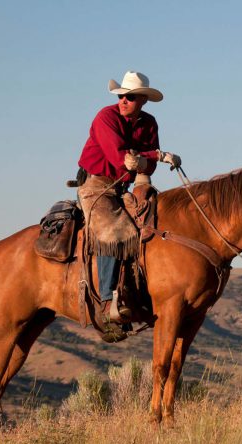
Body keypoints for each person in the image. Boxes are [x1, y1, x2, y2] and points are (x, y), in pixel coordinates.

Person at [77, 71, 181, 323]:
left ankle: (141, 293)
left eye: (130, 97)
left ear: (143, 100)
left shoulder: (149, 123)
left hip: (125, 187)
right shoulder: (106, 117)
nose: (124, 100)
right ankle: (105, 302)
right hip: (97, 185)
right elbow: (119, 158)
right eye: (122, 95)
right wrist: (154, 156)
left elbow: (146, 167)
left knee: (154, 225)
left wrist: (148, 160)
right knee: (113, 231)